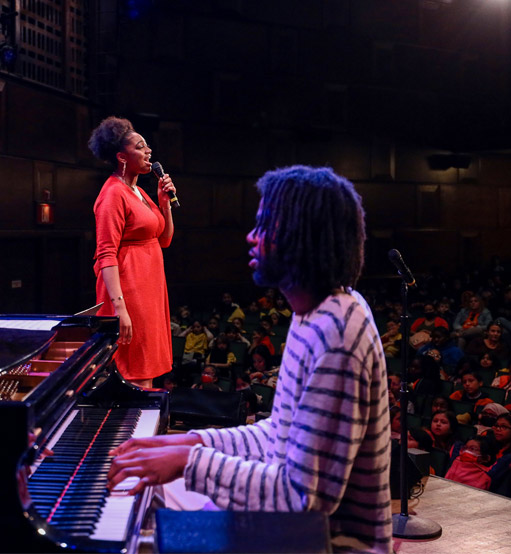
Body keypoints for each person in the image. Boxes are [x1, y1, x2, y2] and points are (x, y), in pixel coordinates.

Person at [106, 166, 391, 552]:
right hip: (296, 531)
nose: (251, 237)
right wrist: (190, 442)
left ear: (300, 237)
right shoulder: (315, 313)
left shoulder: (338, 332)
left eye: (264, 226)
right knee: (146, 497)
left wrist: (190, 462)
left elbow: (302, 500)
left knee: (145, 522)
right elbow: (279, 434)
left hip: (329, 544)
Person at [89, 116, 177, 387]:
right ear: (122, 156)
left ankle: (142, 426)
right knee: (135, 371)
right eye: (140, 146)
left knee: (146, 368)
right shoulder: (113, 194)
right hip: (129, 290)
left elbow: (164, 240)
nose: (148, 151)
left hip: (149, 287)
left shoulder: (139, 192)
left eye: (147, 145)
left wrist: (165, 204)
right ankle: (132, 429)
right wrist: (120, 309)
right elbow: (106, 254)